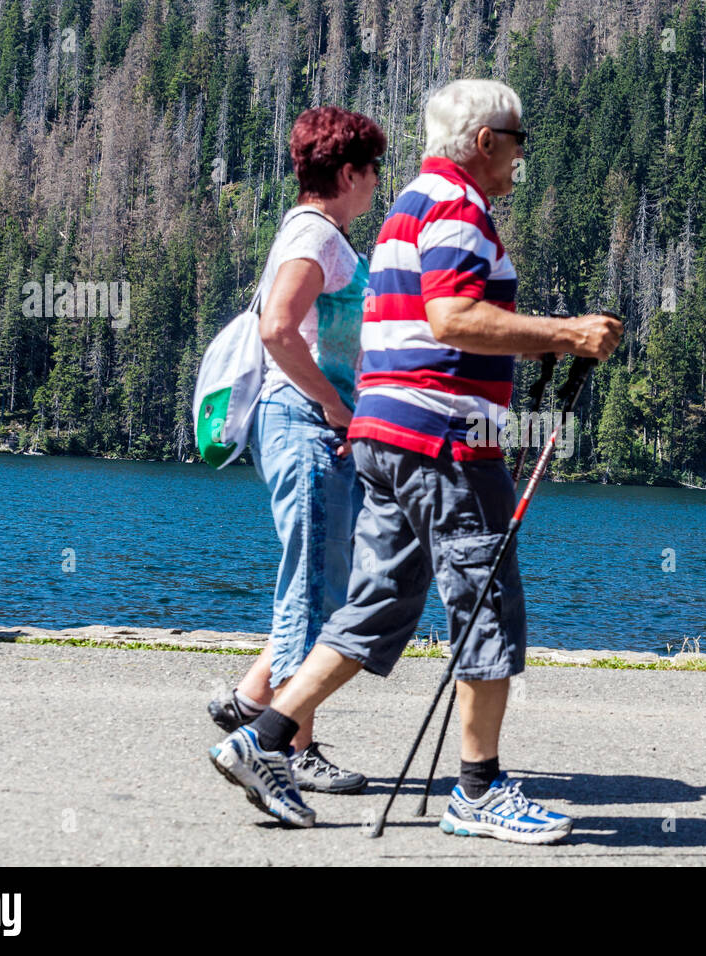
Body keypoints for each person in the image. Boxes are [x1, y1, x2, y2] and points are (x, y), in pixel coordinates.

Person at [208, 78, 622, 839]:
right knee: (485, 607)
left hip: (383, 436)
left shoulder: (403, 207)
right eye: (518, 140)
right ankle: (479, 791)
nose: (522, 155)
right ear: (485, 141)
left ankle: (259, 740)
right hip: (447, 443)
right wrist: (566, 334)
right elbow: (454, 317)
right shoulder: (460, 209)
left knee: (377, 605)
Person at [205, 106, 385, 795]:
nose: (376, 183)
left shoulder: (322, 234)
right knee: (313, 590)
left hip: (308, 426)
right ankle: (289, 749)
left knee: (320, 580)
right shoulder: (316, 235)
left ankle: (251, 702)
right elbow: (281, 328)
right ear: (347, 172)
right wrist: (336, 406)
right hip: (305, 425)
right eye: (371, 169)